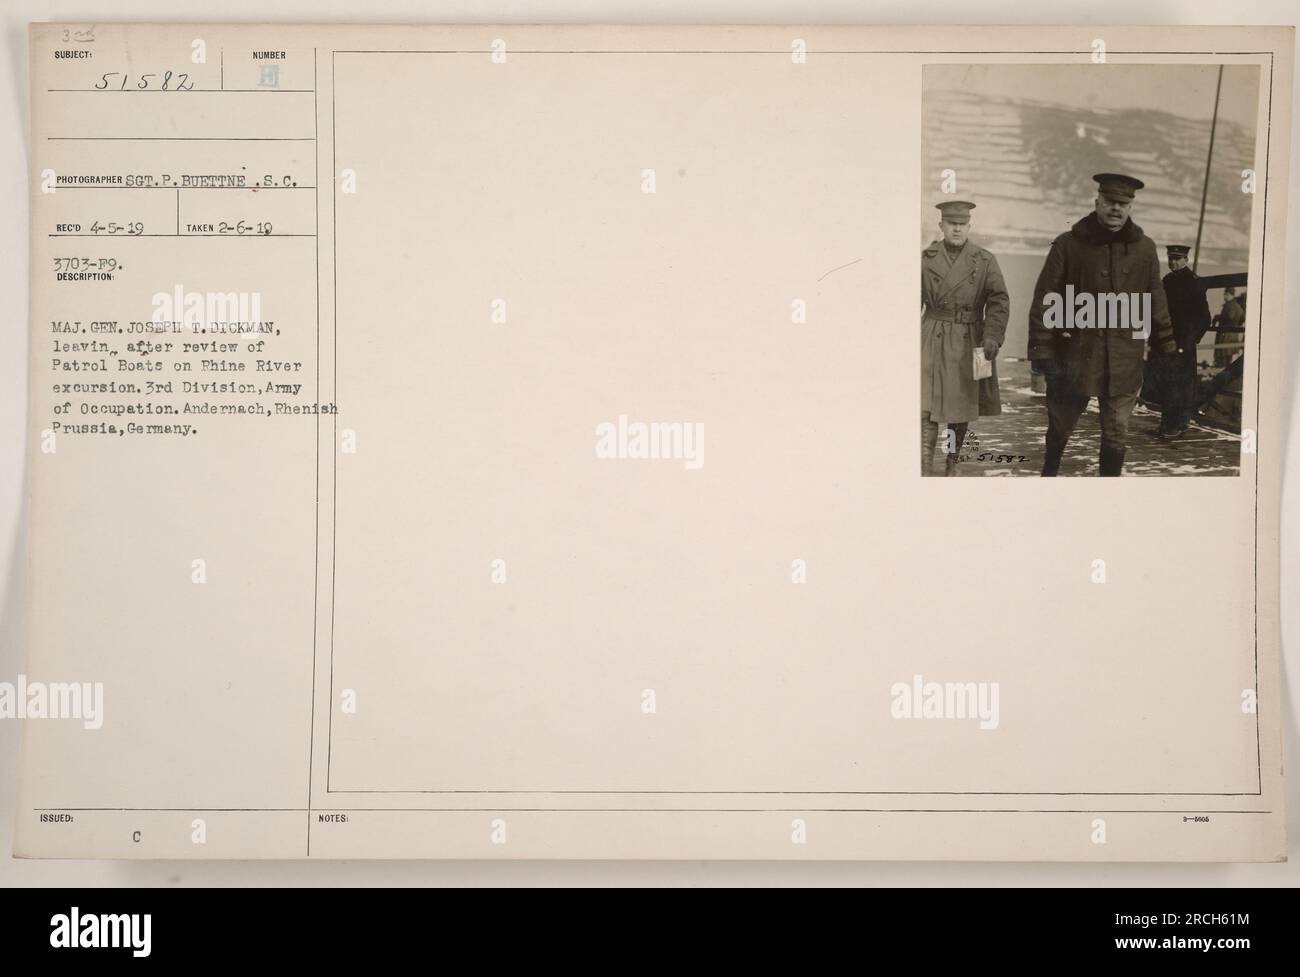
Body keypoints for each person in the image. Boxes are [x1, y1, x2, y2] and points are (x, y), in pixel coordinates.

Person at [1027, 173, 1177, 476]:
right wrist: (1042, 350)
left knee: (1117, 431)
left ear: (1131, 206)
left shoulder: (1145, 249)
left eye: (1124, 203)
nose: (1116, 208)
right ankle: (1048, 475)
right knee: (1060, 426)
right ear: (1097, 201)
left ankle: (1107, 493)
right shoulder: (1068, 244)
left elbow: (1155, 297)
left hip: (1124, 358)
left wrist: (1167, 343)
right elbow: (1046, 297)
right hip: (1075, 355)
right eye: (1110, 201)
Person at [920, 200, 1010, 476]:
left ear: (969, 226)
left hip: (969, 340)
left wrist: (993, 336)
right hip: (930, 336)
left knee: (960, 409)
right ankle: (922, 466)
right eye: (951, 224)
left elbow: (998, 300)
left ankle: (952, 464)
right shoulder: (925, 259)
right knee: (924, 405)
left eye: (962, 224)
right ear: (941, 226)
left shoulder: (984, 260)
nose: (957, 229)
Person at [1156, 244, 1210, 438]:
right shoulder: (1167, 280)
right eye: (1171, 258)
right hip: (1167, 341)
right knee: (1168, 382)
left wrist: (1191, 339)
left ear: (1186, 260)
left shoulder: (1194, 283)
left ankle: (1176, 424)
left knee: (1181, 384)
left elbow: (1205, 318)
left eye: (1178, 259)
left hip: (1184, 343)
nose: (1173, 262)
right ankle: (1168, 423)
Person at [1212, 287, 1245, 367]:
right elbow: (1242, 319)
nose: (1224, 297)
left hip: (1225, 337)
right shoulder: (1238, 306)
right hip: (1233, 337)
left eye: (1225, 294)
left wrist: (1217, 318)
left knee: (1223, 360)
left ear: (1229, 294)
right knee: (1228, 359)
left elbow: (1230, 317)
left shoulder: (1229, 305)